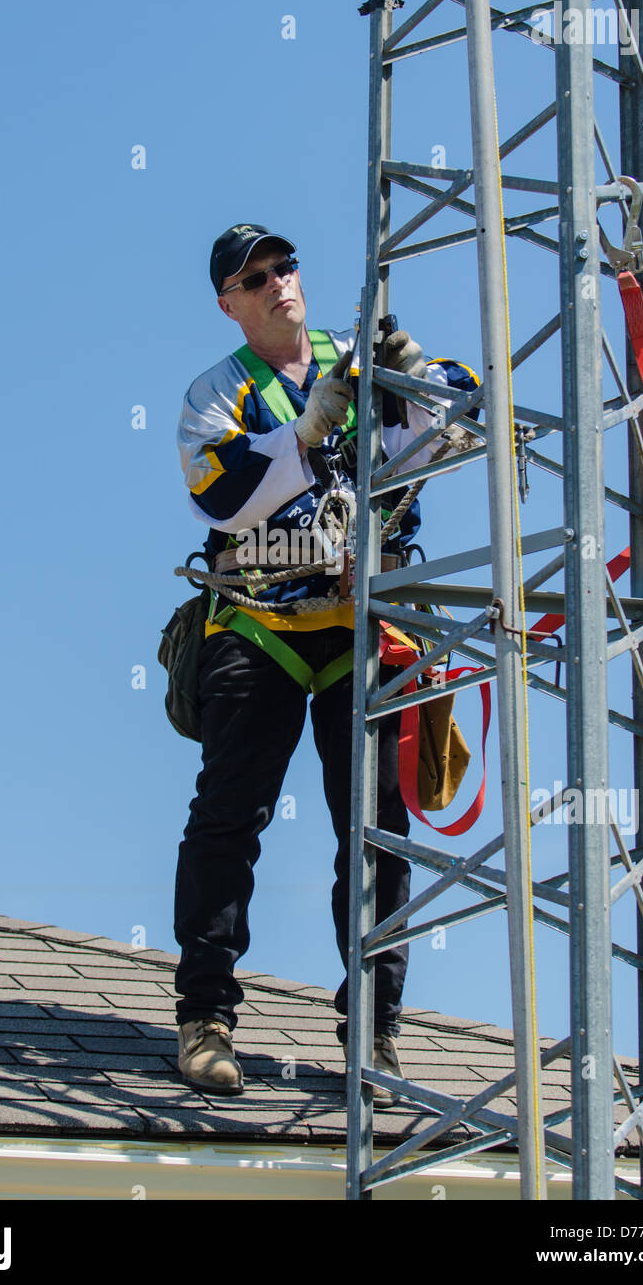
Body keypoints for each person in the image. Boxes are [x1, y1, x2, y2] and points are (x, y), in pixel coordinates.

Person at [173, 223, 478, 1104]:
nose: (277, 284)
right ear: (228, 302)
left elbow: (459, 426)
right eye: (254, 278)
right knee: (229, 816)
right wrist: (305, 432)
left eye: (284, 267)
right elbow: (217, 489)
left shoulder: (359, 363)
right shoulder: (216, 393)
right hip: (260, 618)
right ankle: (206, 1017)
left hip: (361, 623)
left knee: (376, 828)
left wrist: (413, 367)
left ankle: (374, 1029)